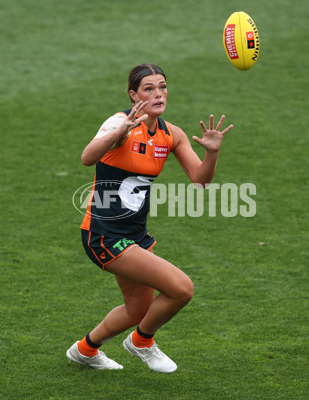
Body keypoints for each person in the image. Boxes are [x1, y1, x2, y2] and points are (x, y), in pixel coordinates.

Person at [67, 63, 233, 373]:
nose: (158, 94)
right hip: (104, 234)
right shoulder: (121, 122)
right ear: (134, 95)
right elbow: (87, 158)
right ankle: (141, 342)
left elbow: (201, 180)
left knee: (138, 308)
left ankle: (85, 350)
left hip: (134, 234)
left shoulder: (172, 134)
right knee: (182, 289)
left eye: (162, 87)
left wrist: (212, 152)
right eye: (149, 89)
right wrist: (117, 134)